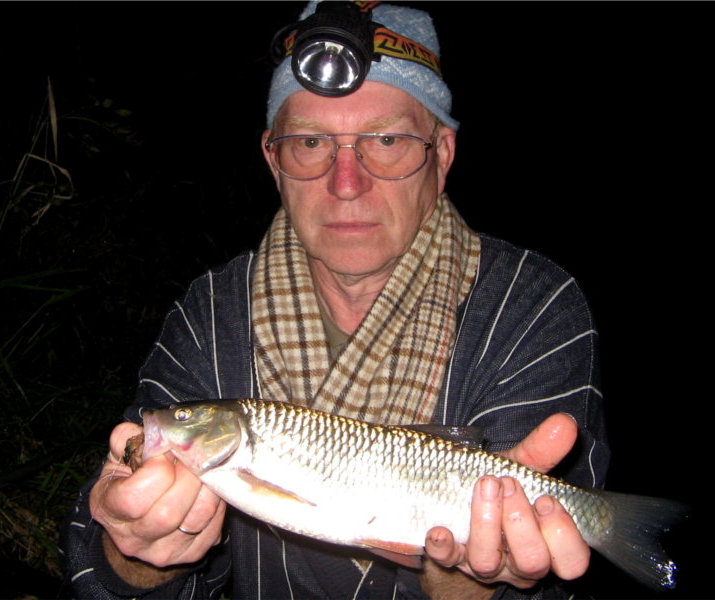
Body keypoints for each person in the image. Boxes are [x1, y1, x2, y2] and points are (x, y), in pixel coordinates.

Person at [60, 2, 609, 598]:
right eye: (311, 142)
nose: (346, 182)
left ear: (442, 155)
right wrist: (138, 551)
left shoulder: (534, 306)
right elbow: (114, 574)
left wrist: (472, 583)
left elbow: (557, 579)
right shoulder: (208, 313)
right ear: (274, 160)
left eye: (388, 140)